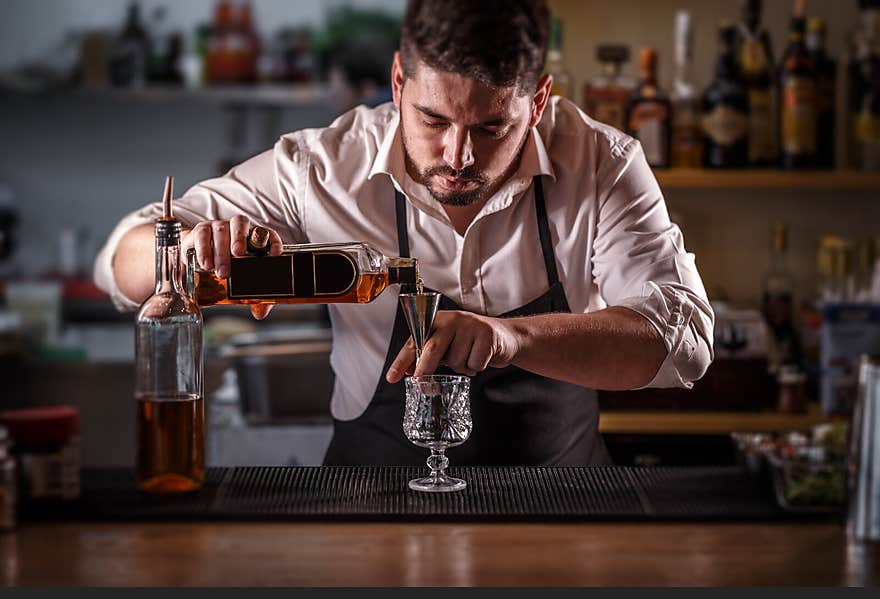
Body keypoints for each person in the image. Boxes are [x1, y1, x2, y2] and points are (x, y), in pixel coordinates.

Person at [94, 0, 714, 466]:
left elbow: (683, 340)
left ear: (540, 101)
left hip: (561, 520)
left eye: (493, 127)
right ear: (398, 83)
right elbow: (118, 263)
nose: (458, 155)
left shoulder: (602, 163)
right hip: (365, 518)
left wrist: (512, 337)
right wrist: (183, 252)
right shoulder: (321, 167)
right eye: (433, 119)